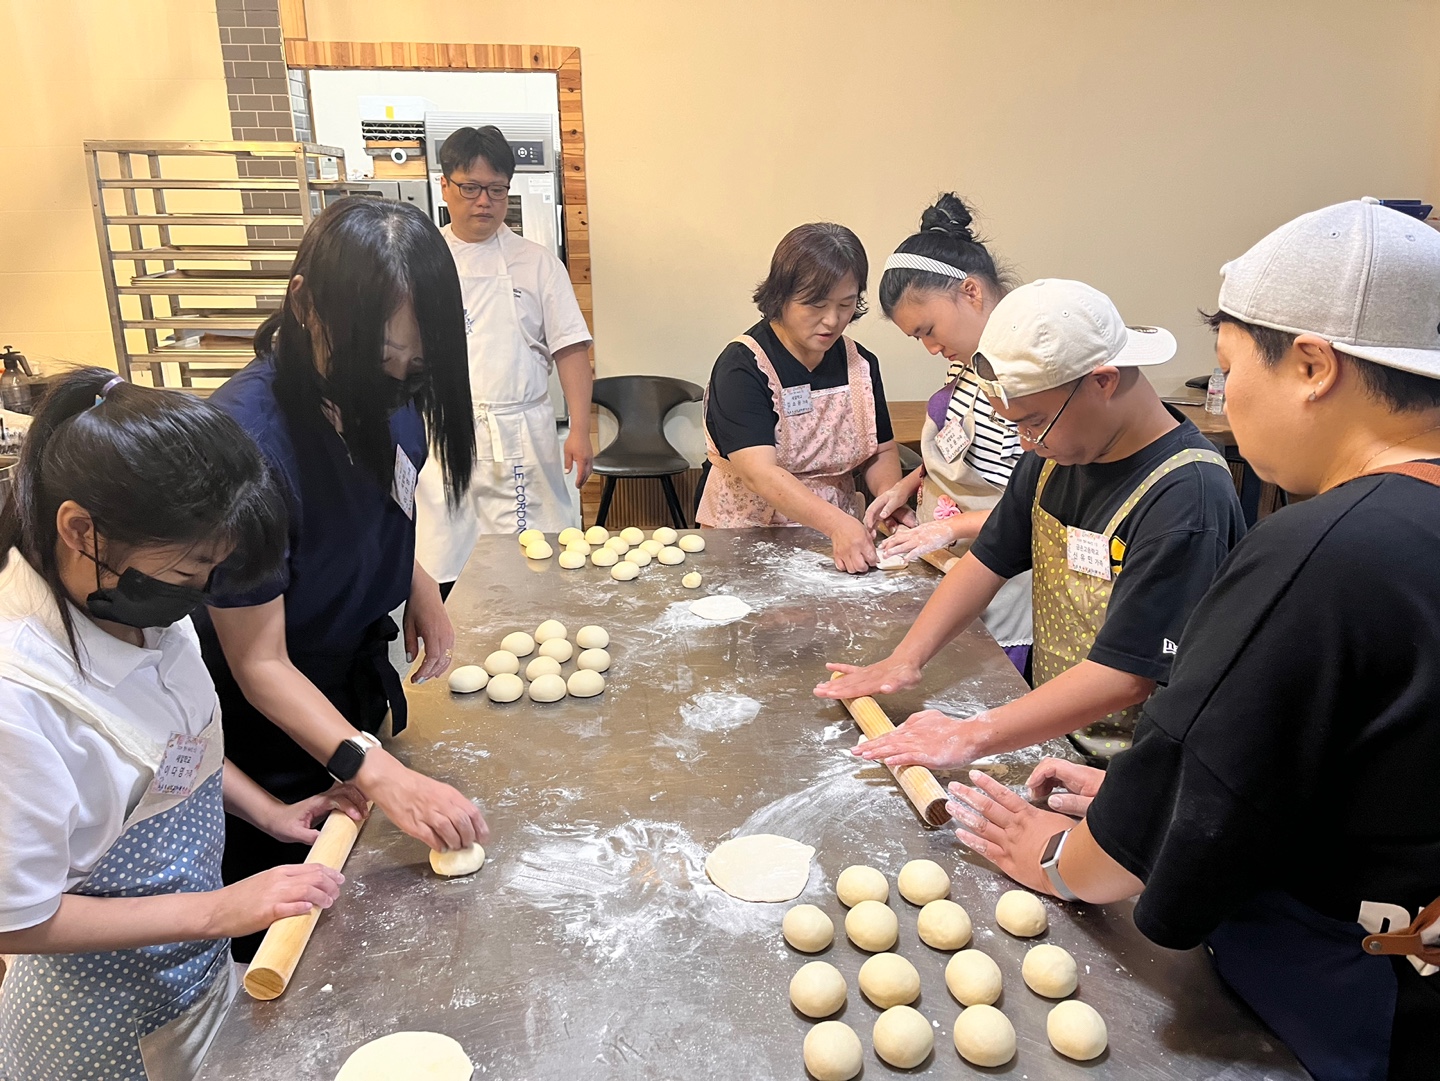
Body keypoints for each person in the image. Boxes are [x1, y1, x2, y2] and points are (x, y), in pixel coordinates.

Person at [947, 199, 1440, 1081]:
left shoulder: (1325, 549)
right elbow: (1360, 767)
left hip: (1347, 1001)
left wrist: (1067, 856)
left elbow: (1201, 766)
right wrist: (1140, 794)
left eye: (1227, 366)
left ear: (1314, 365)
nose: (1223, 398)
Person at [0, 369, 362, 1081]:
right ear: (80, 530)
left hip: (190, 987)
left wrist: (272, 812)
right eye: (193, 570)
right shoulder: (20, 697)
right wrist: (216, 910)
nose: (202, 594)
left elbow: (170, 750)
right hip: (100, 1036)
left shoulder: (139, 612)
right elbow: (18, 918)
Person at [196, 197, 487, 960]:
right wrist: (375, 768)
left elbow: (386, 490)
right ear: (305, 307)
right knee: (302, 955)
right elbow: (259, 663)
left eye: (413, 373)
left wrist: (416, 581)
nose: (389, 391)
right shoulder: (246, 449)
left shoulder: (388, 393)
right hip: (273, 745)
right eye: (375, 365)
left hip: (352, 695)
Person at [820, 278, 1246, 762]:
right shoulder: (1054, 457)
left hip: (1136, 763)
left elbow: (1127, 675)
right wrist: (907, 659)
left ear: (1102, 381)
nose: (1024, 441)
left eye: (1034, 421)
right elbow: (987, 559)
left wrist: (971, 735)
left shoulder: (1186, 494)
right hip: (1059, 732)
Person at [415, 125, 595, 594]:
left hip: (521, 436)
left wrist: (579, 429)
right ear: (445, 185)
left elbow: (572, 348)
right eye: (471, 188)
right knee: (445, 562)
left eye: (497, 190)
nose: (484, 202)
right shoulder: (421, 261)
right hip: (443, 436)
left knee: (533, 564)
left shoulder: (536, 262)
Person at [864, 194, 1033, 673]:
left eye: (929, 329)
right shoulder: (967, 366)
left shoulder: (1026, 380)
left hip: (1002, 582)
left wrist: (946, 528)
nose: (931, 346)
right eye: (918, 337)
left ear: (971, 292)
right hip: (951, 564)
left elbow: (1037, 502)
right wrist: (908, 484)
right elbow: (964, 452)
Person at [697, 222, 903, 572]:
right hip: (749, 537)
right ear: (781, 296)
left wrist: (888, 500)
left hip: (839, 542)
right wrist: (836, 523)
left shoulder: (860, 364)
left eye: (846, 304)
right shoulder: (742, 366)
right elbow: (759, 474)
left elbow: (880, 451)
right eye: (816, 304)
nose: (832, 320)